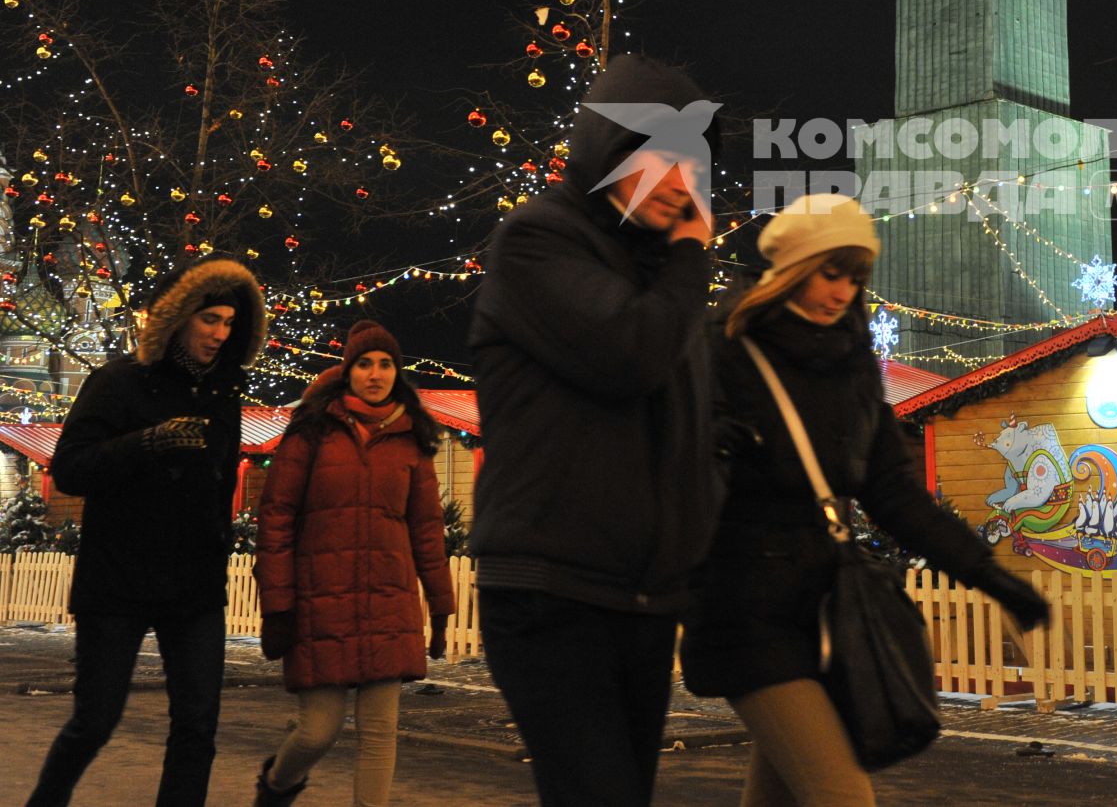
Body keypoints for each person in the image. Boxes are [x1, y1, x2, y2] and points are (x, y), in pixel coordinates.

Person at [680, 194, 1051, 807]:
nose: (843, 292)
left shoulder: (850, 363)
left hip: (824, 610)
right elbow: (665, 461)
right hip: (742, 610)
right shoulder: (723, 347)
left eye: (856, 278)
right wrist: (706, 449)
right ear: (793, 268)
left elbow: (893, 493)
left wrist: (988, 575)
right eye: (831, 272)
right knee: (842, 796)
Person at [467, 55, 722, 806]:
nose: (684, 186)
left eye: (694, 167)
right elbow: (629, 353)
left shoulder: (657, 277)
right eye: (665, 159)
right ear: (611, 149)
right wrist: (689, 255)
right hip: (550, 591)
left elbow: (695, 418)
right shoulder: (538, 240)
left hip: (638, 599)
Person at [26, 257, 265, 807]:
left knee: (198, 725)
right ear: (179, 318)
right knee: (96, 719)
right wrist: (146, 443)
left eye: (230, 322)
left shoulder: (225, 393)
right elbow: (70, 468)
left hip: (194, 584)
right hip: (119, 580)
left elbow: (220, 479)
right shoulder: (116, 382)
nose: (220, 333)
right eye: (210, 320)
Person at [250, 319, 455, 807]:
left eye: (386, 364)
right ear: (348, 371)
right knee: (318, 732)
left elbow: (427, 528)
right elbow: (277, 517)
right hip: (322, 605)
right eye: (365, 363)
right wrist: (279, 603)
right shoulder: (312, 430)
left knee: (380, 732)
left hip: (389, 603)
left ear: (397, 372)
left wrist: (441, 605)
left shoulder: (412, 439)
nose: (376, 373)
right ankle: (277, 784)